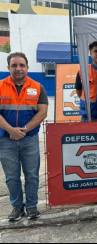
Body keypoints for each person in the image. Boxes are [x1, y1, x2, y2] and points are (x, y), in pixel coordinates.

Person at [0, 52, 48, 221]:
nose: (18, 69)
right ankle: (17, 207)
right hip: (5, 140)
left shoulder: (38, 87)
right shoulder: (0, 86)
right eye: (14, 65)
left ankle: (32, 207)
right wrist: (11, 130)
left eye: (22, 65)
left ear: (27, 67)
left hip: (30, 140)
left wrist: (24, 130)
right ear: (8, 68)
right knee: (12, 176)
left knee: (32, 175)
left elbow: (42, 112)